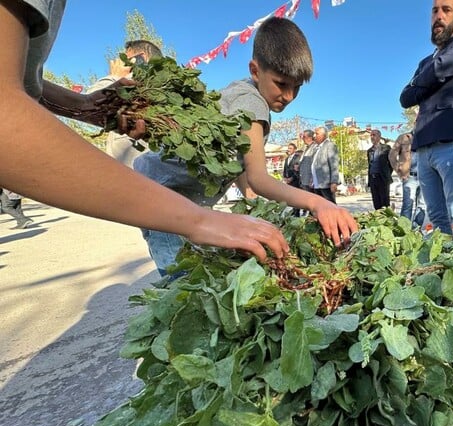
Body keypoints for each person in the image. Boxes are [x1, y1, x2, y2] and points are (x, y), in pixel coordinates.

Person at [0, 1, 289, 266]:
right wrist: (197, 220)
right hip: (170, 198)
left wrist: (86, 106)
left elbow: (25, 84)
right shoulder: (249, 100)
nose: (289, 96)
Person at [134, 18, 357, 275]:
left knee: (203, 269)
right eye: (282, 84)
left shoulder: (245, 94)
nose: (289, 97)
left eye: (297, 88)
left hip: (178, 196)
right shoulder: (252, 103)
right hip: (162, 194)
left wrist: (249, 198)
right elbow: (260, 178)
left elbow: (239, 161)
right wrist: (319, 204)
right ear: (255, 70)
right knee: (183, 280)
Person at [400, 0, 453, 244]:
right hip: (423, 144)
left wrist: (422, 83)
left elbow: (441, 67)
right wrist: (432, 74)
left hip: (452, 138)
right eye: (435, 10)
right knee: (436, 216)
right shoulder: (425, 62)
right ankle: (447, 269)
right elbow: (405, 97)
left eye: (446, 10)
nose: (439, 16)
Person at [85, 40, 163, 168]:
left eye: (125, 59)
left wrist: (115, 76)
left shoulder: (141, 87)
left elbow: (90, 106)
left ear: (140, 59)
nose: (120, 63)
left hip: (137, 182)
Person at [390, 132, 425, 228]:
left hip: (425, 177)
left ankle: (416, 230)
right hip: (410, 177)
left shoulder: (426, 136)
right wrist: (399, 170)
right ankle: (403, 230)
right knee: (407, 205)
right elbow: (392, 155)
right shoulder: (403, 137)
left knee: (422, 206)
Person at [310, 126, 340, 204]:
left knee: (330, 205)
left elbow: (334, 164)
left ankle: (335, 216)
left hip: (326, 183)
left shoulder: (329, 145)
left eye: (317, 134)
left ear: (323, 135)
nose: (314, 136)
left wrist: (334, 182)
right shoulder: (317, 148)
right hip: (317, 184)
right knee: (321, 206)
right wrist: (312, 180)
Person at [366, 129, 393, 210]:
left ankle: (388, 220)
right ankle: (378, 220)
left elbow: (391, 163)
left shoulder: (386, 148)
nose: (372, 137)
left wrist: (387, 173)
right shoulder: (369, 151)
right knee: (376, 202)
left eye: (374, 135)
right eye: (371, 135)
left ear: (379, 136)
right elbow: (370, 165)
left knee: (385, 203)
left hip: (383, 179)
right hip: (373, 179)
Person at [297, 129, 317, 194]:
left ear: (309, 138)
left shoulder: (315, 147)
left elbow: (315, 164)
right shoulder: (306, 148)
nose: (302, 138)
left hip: (310, 181)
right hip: (304, 180)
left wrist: (313, 179)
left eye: (304, 137)